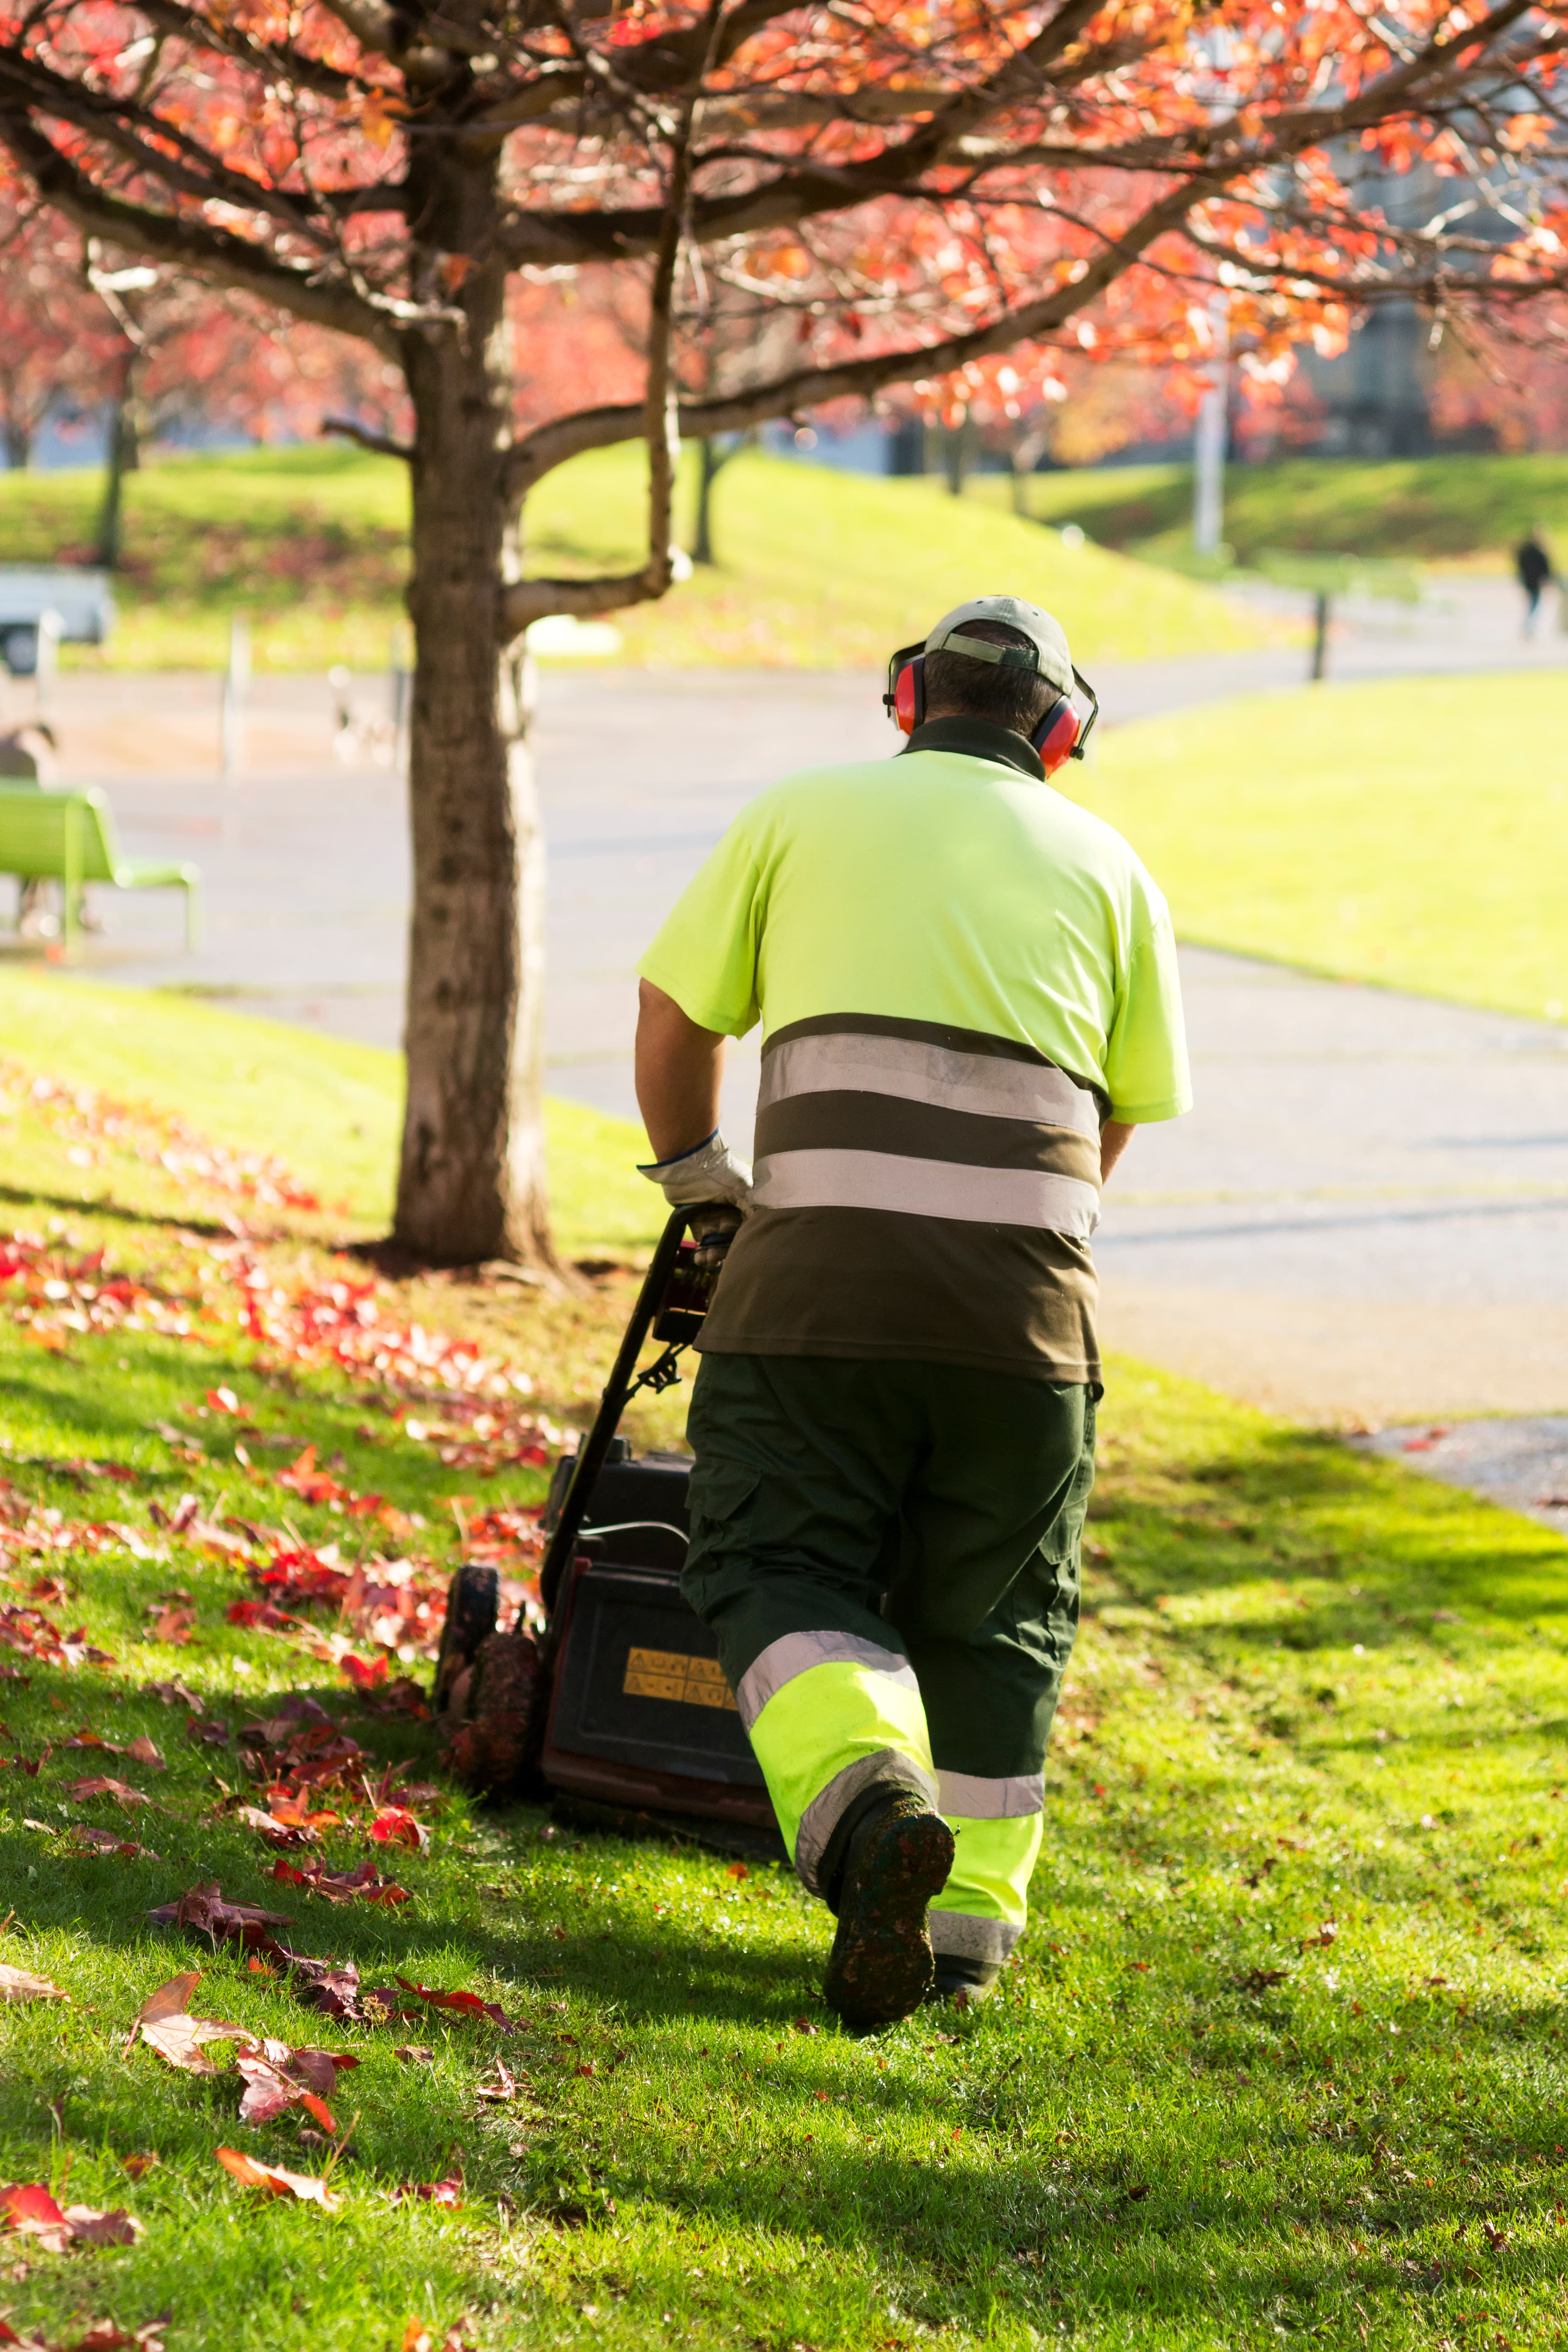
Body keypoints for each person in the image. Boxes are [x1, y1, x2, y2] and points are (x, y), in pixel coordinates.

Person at [633, 595, 1191, 2031]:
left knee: (775, 1565)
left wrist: (707, 1190)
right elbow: (1115, 1119)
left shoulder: (798, 814)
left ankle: (871, 1811)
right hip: (1027, 1326)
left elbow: (674, 1019)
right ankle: (961, 1941)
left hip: (811, 1297)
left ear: (907, 703)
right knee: (998, 1615)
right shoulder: (1115, 869)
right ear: (1062, 735)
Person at [1515, 526, 1554, 638]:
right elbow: (1545, 568)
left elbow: (1520, 565)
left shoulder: (1525, 551)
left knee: (1533, 604)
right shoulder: (1538, 552)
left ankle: (1528, 627)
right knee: (1534, 604)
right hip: (1535, 582)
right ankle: (1529, 627)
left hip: (1528, 581)